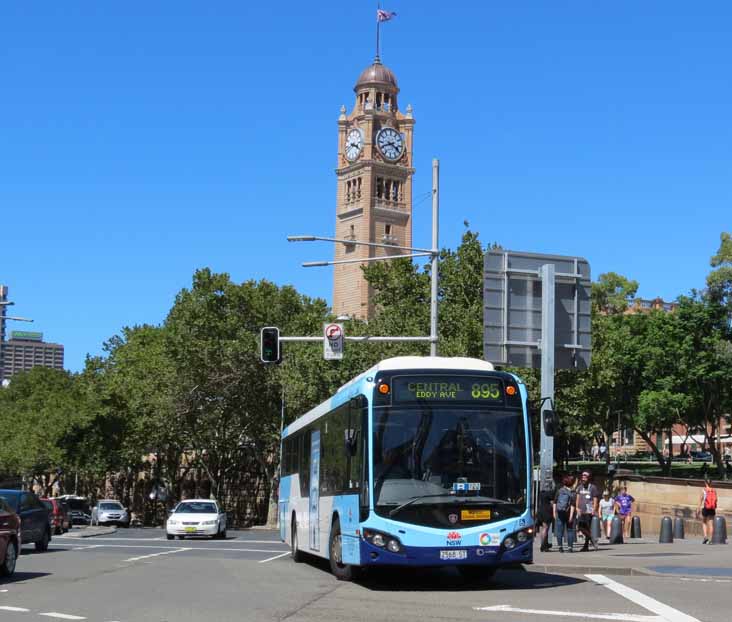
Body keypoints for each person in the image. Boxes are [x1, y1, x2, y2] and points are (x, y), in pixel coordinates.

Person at [575, 470, 600, 551]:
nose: (583, 478)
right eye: (582, 476)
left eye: (585, 476)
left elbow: (595, 500)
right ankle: (592, 539)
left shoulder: (593, 487)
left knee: (587, 527)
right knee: (580, 527)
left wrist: (594, 509)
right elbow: (577, 498)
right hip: (580, 511)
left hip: (588, 511)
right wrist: (577, 508)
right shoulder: (579, 487)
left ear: (589, 478)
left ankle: (586, 546)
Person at [553, 474, 576, 552]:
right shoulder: (572, 492)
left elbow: (555, 502)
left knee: (560, 530)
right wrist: (571, 516)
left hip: (560, 512)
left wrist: (554, 512)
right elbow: (573, 505)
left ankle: (560, 547)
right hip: (569, 513)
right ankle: (570, 548)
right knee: (570, 530)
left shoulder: (559, 491)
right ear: (572, 483)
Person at [697, 478, 718, 544]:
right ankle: (711, 540)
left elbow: (700, 500)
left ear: (705, 483)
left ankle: (705, 537)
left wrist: (698, 509)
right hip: (712, 508)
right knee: (711, 524)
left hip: (706, 508)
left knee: (704, 522)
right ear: (711, 483)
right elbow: (716, 500)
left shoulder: (704, 490)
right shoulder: (714, 490)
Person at [536, 481, 556, 552]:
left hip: (541, 510)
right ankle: (543, 545)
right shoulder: (551, 493)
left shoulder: (541, 492)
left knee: (543, 528)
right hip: (547, 511)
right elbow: (552, 503)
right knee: (546, 528)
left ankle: (544, 544)